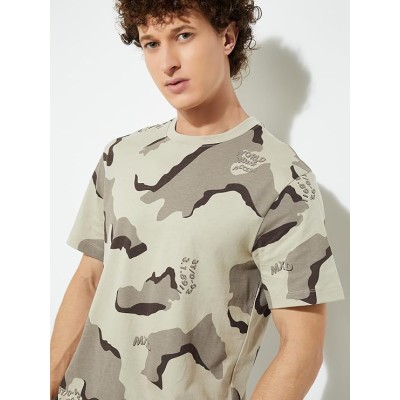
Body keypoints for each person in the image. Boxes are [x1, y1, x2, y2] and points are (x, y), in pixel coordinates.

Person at [50, 1, 345, 399]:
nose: (167, 62)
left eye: (183, 35)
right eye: (151, 43)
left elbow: (302, 350)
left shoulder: (283, 180)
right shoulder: (121, 156)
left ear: (227, 36)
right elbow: (89, 279)